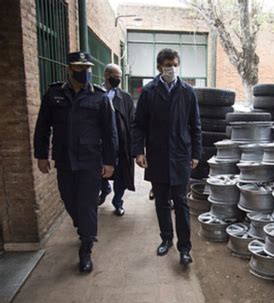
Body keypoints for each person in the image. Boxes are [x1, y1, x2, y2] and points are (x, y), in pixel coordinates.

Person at [34, 52, 118, 273]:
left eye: (88, 68)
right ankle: (83, 227)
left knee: (87, 205)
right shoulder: (54, 94)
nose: (85, 72)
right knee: (69, 200)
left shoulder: (99, 97)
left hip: (90, 160)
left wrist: (109, 162)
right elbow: (43, 126)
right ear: (69, 69)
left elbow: (110, 133)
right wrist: (41, 154)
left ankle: (86, 248)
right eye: (80, 68)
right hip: (64, 159)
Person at [132, 48, 202, 266]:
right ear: (159, 67)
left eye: (173, 64)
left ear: (177, 64)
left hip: (181, 155)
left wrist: (196, 154)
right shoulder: (149, 91)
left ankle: (185, 248)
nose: (170, 68)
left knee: (181, 204)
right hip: (158, 155)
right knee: (162, 202)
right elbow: (139, 125)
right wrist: (139, 151)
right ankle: (166, 239)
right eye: (166, 65)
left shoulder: (187, 92)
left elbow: (196, 126)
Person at [98, 64, 136, 215]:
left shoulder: (125, 97)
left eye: (120, 77)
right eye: (115, 76)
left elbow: (133, 121)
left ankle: (117, 201)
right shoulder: (97, 93)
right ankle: (104, 188)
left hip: (121, 143)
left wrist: (133, 145)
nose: (118, 80)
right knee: (99, 170)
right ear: (106, 75)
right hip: (101, 142)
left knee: (121, 174)